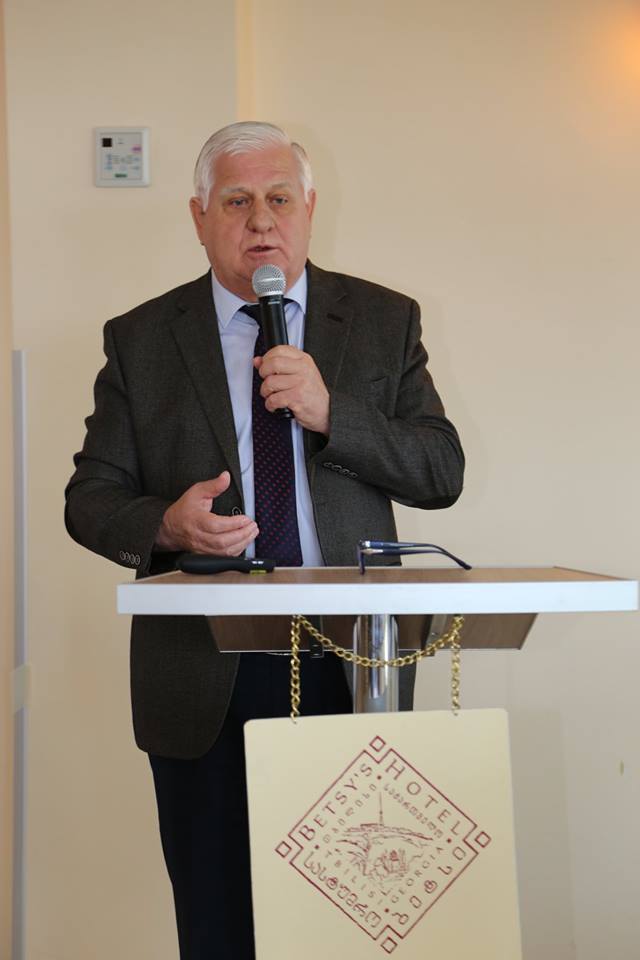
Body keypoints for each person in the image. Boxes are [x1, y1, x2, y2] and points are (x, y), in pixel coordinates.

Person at [65, 121, 465, 960]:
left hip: (352, 659)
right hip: (205, 665)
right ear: (199, 216)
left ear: (310, 208)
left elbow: (440, 470)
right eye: (236, 201)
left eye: (280, 198)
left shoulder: (382, 320)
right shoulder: (141, 338)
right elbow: (90, 499)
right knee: (220, 923)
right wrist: (167, 524)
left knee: (356, 922)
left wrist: (332, 413)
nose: (261, 220)